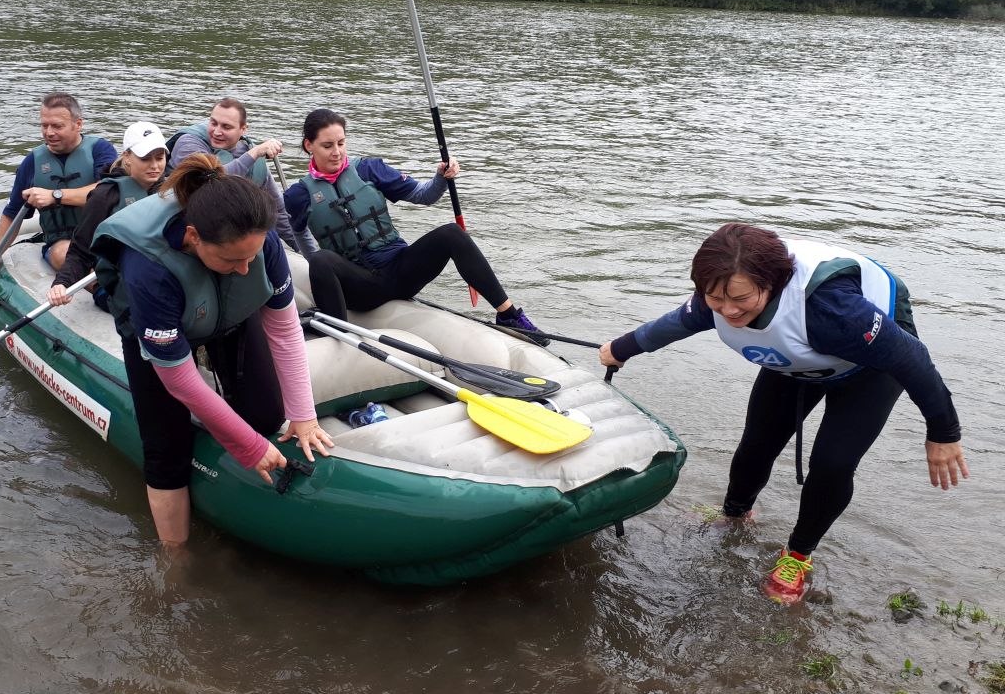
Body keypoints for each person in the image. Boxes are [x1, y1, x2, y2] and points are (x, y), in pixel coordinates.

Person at [597, 223, 968, 605]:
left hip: (869, 370)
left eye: (740, 299)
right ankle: (735, 516)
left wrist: (943, 432)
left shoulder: (834, 311)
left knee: (832, 463)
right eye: (716, 299)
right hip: (798, 361)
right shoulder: (721, 288)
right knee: (757, 443)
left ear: (772, 283)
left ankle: (797, 555)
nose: (727, 311)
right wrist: (621, 349)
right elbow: (677, 322)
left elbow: (913, 361)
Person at [89, 153, 333, 545]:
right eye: (233, 259)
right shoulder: (148, 267)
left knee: (267, 413)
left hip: (228, 313)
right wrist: (248, 447)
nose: (245, 267)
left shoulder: (260, 240)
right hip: (156, 330)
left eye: (250, 257)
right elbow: (181, 382)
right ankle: (177, 559)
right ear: (192, 237)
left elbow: (286, 331)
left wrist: (303, 417)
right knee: (166, 451)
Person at [282, 109, 545, 338]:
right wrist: (321, 270)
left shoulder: (369, 169)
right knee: (321, 259)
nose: (337, 152)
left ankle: (509, 315)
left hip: (400, 271)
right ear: (309, 145)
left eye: (341, 143)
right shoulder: (298, 195)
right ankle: (340, 333)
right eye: (328, 146)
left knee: (451, 234)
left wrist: (441, 176)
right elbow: (300, 235)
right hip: (360, 288)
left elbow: (424, 195)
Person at [0, 92, 117, 283]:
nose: (49, 132)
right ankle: (104, 293)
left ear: (78, 124)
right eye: (44, 125)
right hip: (62, 241)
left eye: (57, 126)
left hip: (101, 234)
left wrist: (55, 196)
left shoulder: (101, 150)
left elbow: (108, 192)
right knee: (64, 253)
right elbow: (12, 214)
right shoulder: (32, 162)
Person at [167, 97, 317, 254]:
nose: (217, 131)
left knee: (268, 236)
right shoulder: (188, 143)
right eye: (213, 123)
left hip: (225, 230)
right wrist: (254, 153)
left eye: (226, 127)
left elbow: (279, 213)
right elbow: (209, 179)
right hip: (182, 230)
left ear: (243, 129)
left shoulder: (251, 157)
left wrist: (306, 253)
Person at [46, 121, 170, 311]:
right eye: (145, 159)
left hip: (159, 279)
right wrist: (62, 283)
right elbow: (80, 250)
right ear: (127, 157)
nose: (155, 165)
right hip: (116, 286)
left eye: (160, 157)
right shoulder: (105, 195)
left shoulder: (169, 192)